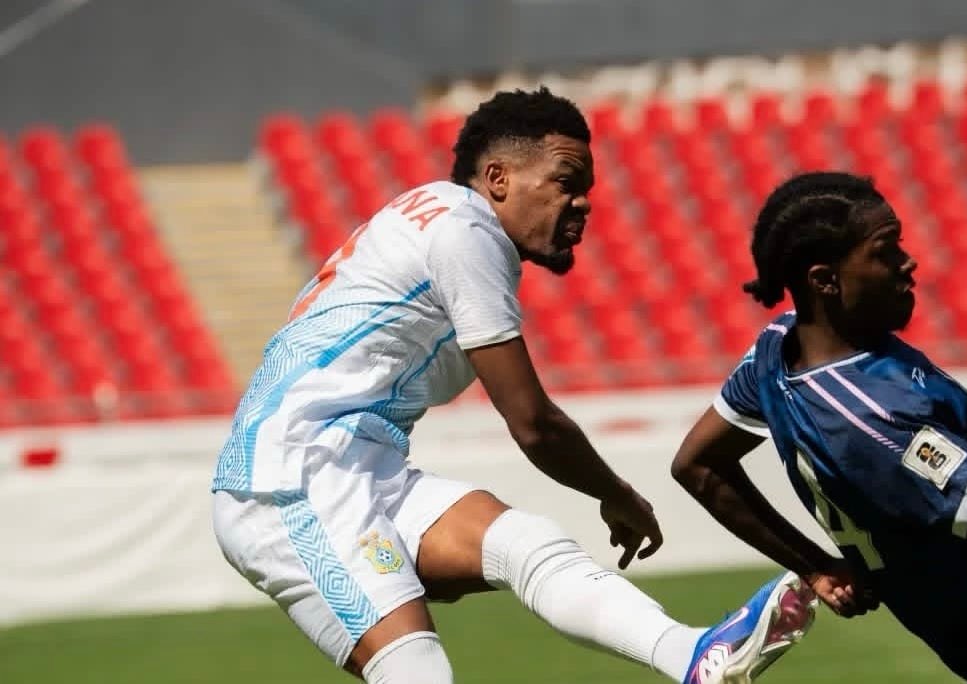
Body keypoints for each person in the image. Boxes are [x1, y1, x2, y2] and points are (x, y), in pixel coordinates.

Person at [210, 87, 816, 684]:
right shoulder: (465, 232)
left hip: (356, 465)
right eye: (565, 182)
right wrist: (617, 494)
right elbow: (533, 423)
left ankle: (694, 657)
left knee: (524, 542)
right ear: (497, 178)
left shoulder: (445, 218)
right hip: (291, 477)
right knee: (417, 671)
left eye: (586, 189)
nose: (582, 204)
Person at [671, 171, 967, 682]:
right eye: (885, 251)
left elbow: (699, 465)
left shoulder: (777, 350)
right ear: (825, 280)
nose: (908, 262)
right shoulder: (875, 416)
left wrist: (815, 566)